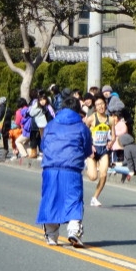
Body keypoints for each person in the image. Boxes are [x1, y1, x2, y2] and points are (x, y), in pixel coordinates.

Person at [36, 97, 92, 247]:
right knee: (73, 199)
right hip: (71, 168)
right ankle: (74, 230)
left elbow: (43, 145)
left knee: (50, 199)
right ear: (76, 110)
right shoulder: (81, 127)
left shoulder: (51, 125)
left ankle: (51, 235)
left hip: (50, 168)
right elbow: (87, 148)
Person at [84, 94, 116, 206]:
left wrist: (111, 142)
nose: (100, 106)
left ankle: (95, 197)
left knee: (103, 175)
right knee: (93, 177)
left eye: (102, 104)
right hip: (93, 150)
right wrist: (89, 145)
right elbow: (84, 132)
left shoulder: (110, 120)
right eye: (97, 105)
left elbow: (113, 135)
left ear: (105, 105)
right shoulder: (92, 118)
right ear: (95, 107)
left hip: (103, 150)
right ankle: (86, 163)